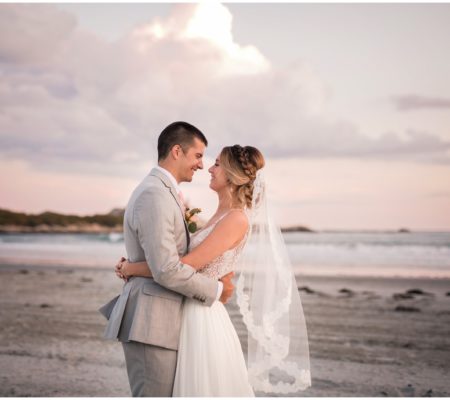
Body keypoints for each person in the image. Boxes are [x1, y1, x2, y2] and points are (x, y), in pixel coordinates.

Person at [115, 144, 312, 396]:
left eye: (217, 163)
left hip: (201, 315)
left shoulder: (236, 219)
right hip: (188, 308)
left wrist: (130, 268)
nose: (209, 168)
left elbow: (183, 266)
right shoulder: (220, 214)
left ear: (231, 174)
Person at [99, 122, 235, 397]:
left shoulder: (165, 192)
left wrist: (131, 267)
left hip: (163, 320)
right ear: (176, 151)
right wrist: (217, 290)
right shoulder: (154, 194)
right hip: (151, 322)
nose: (201, 165)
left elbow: (169, 259)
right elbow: (167, 269)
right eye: (197, 155)